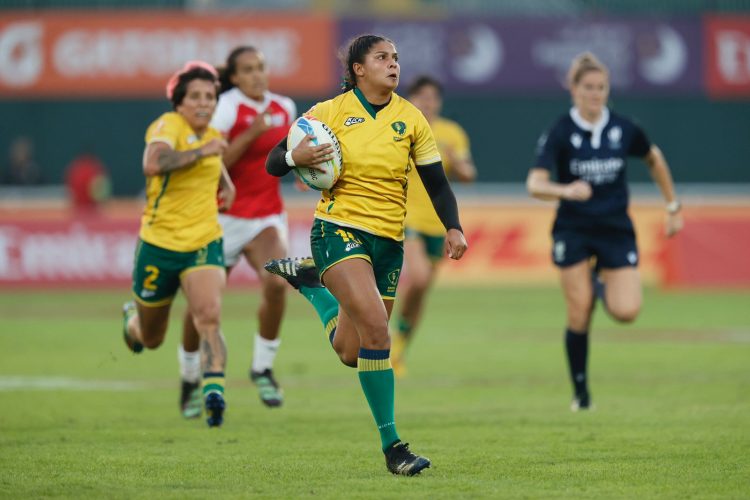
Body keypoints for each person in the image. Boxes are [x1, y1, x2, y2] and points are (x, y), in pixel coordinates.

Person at [263, 34, 468, 476]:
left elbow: (436, 183)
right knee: (378, 331)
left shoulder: (412, 119)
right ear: (358, 68)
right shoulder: (328, 112)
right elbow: (274, 162)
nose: (393, 64)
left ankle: (313, 286)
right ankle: (394, 448)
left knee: (352, 351)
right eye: (382, 58)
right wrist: (295, 155)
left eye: (396, 57)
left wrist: (453, 226)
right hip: (338, 232)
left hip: (387, 244)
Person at [526, 52, 683, 411]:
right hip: (574, 229)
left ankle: (598, 283)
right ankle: (581, 394)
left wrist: (672, 206)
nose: (595, 94)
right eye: (588, 87)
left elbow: (654, 159)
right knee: (579, 310)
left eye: (601, 88)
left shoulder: (624, 128)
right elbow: (535, 183)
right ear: (574, 89)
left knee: (627, 311)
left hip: (615, 229)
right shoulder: (561, 131)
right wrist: (566, 190)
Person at [180, 46, 297, 413]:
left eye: (260, 67)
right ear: (234, 77)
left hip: (265, 217)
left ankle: (262, 367)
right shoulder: (226, 107)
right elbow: (214, 161)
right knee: (204, 305)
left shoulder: (284, 107)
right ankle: (188, 379)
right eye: (247, 70)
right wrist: (250, 133)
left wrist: (304, 172)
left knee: (279, 283)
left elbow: (284, 155)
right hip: (221, 217)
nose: (257, 75)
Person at [121, 60, 236, 427]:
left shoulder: (210, 134)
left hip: (203, 241)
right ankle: (131, 322)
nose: (204, 103)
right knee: (151, 338)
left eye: (210, 96)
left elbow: (211, 156)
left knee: (209, 315)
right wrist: (205, 153)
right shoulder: (167, 126)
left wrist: (226, 182)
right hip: (159, 245)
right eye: (196, 96)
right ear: (180, 102)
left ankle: (213, 391)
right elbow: (154, 163)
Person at [390, 75, 476, 377]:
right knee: (420, 278)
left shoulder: (451, 133)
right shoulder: (401, 127)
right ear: (411, 99)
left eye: (433, 97)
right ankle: (390, 340)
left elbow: (468, 174)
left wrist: (455, 161)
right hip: (405, 218)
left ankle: (399, 346)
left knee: (422, 291)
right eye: (421, 96)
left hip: (438, 224)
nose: (428, 103)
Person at [65, 149, 111, 213]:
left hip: (78, 210)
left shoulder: (75, 169)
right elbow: (101, 193)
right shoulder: (95, 170)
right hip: (91, 210)